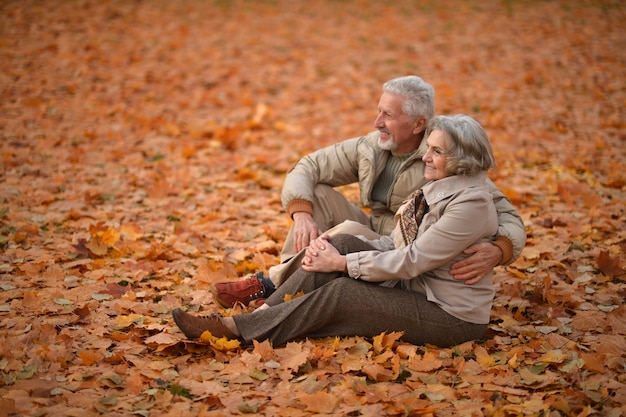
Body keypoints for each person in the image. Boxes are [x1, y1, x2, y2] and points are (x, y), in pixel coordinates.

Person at [172, 114, 507, 348]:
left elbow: (411, 261)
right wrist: (340, 249)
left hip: (450, 315)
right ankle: (264, 314)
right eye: (428, 148)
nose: (426, 158)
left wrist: (342, 265)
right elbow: (397, 244)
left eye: (437, 151)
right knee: (342, 240)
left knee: (343, 293)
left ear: (461, 158)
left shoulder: (469, 204)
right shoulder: (443, 185)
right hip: (416, 287)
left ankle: (236, 331)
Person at [210, 75, 526, 309]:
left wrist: (500, 249)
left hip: (408, 253)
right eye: (379, 111)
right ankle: (284, 288)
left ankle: (273, 285)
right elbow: (307, 167)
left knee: (346, 231)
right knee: (315, 194)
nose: (377, 122)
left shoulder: (444, 158)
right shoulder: (370, 147)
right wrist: (302, 214)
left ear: (418, 124)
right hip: (377, 233)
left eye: (388, 115)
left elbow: (505, 213)